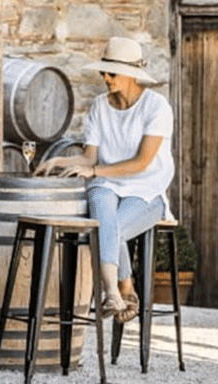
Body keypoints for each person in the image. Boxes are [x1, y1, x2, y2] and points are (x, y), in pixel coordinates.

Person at [34, 36, 175, 323]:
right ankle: (113, 292)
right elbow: (89, 158)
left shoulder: (156, 107)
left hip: (146, 188)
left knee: (109, 227)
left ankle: (123, 286)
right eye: (103, 72)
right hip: (109, 183)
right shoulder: (100, 106)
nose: (105, 78)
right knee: (98, 195)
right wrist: (59, 161)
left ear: (132, 75)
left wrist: (95, 172)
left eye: (112, 73)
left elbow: (141, 163)